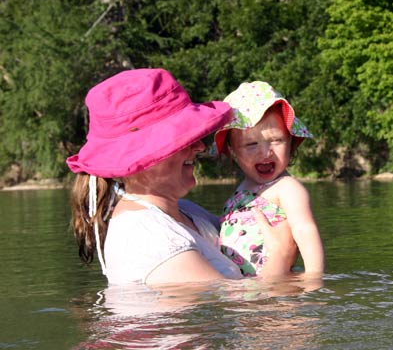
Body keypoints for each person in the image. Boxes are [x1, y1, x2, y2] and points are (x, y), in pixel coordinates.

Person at [67, 68, 295, 285]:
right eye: (182, 139)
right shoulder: (143, 235)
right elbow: (233, 305)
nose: (199, 147)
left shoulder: (187, 213)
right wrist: (282, 256)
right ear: (142, 157)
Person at [214, 81, 325, 277]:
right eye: (251, 144)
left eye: (276, 140)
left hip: (277, 287)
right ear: (233, 151)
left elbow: (305, 230)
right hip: (243, 286)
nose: (265, 152)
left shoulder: (287, 188)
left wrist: (313, 277)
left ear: (291, 142)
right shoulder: (242, 189)